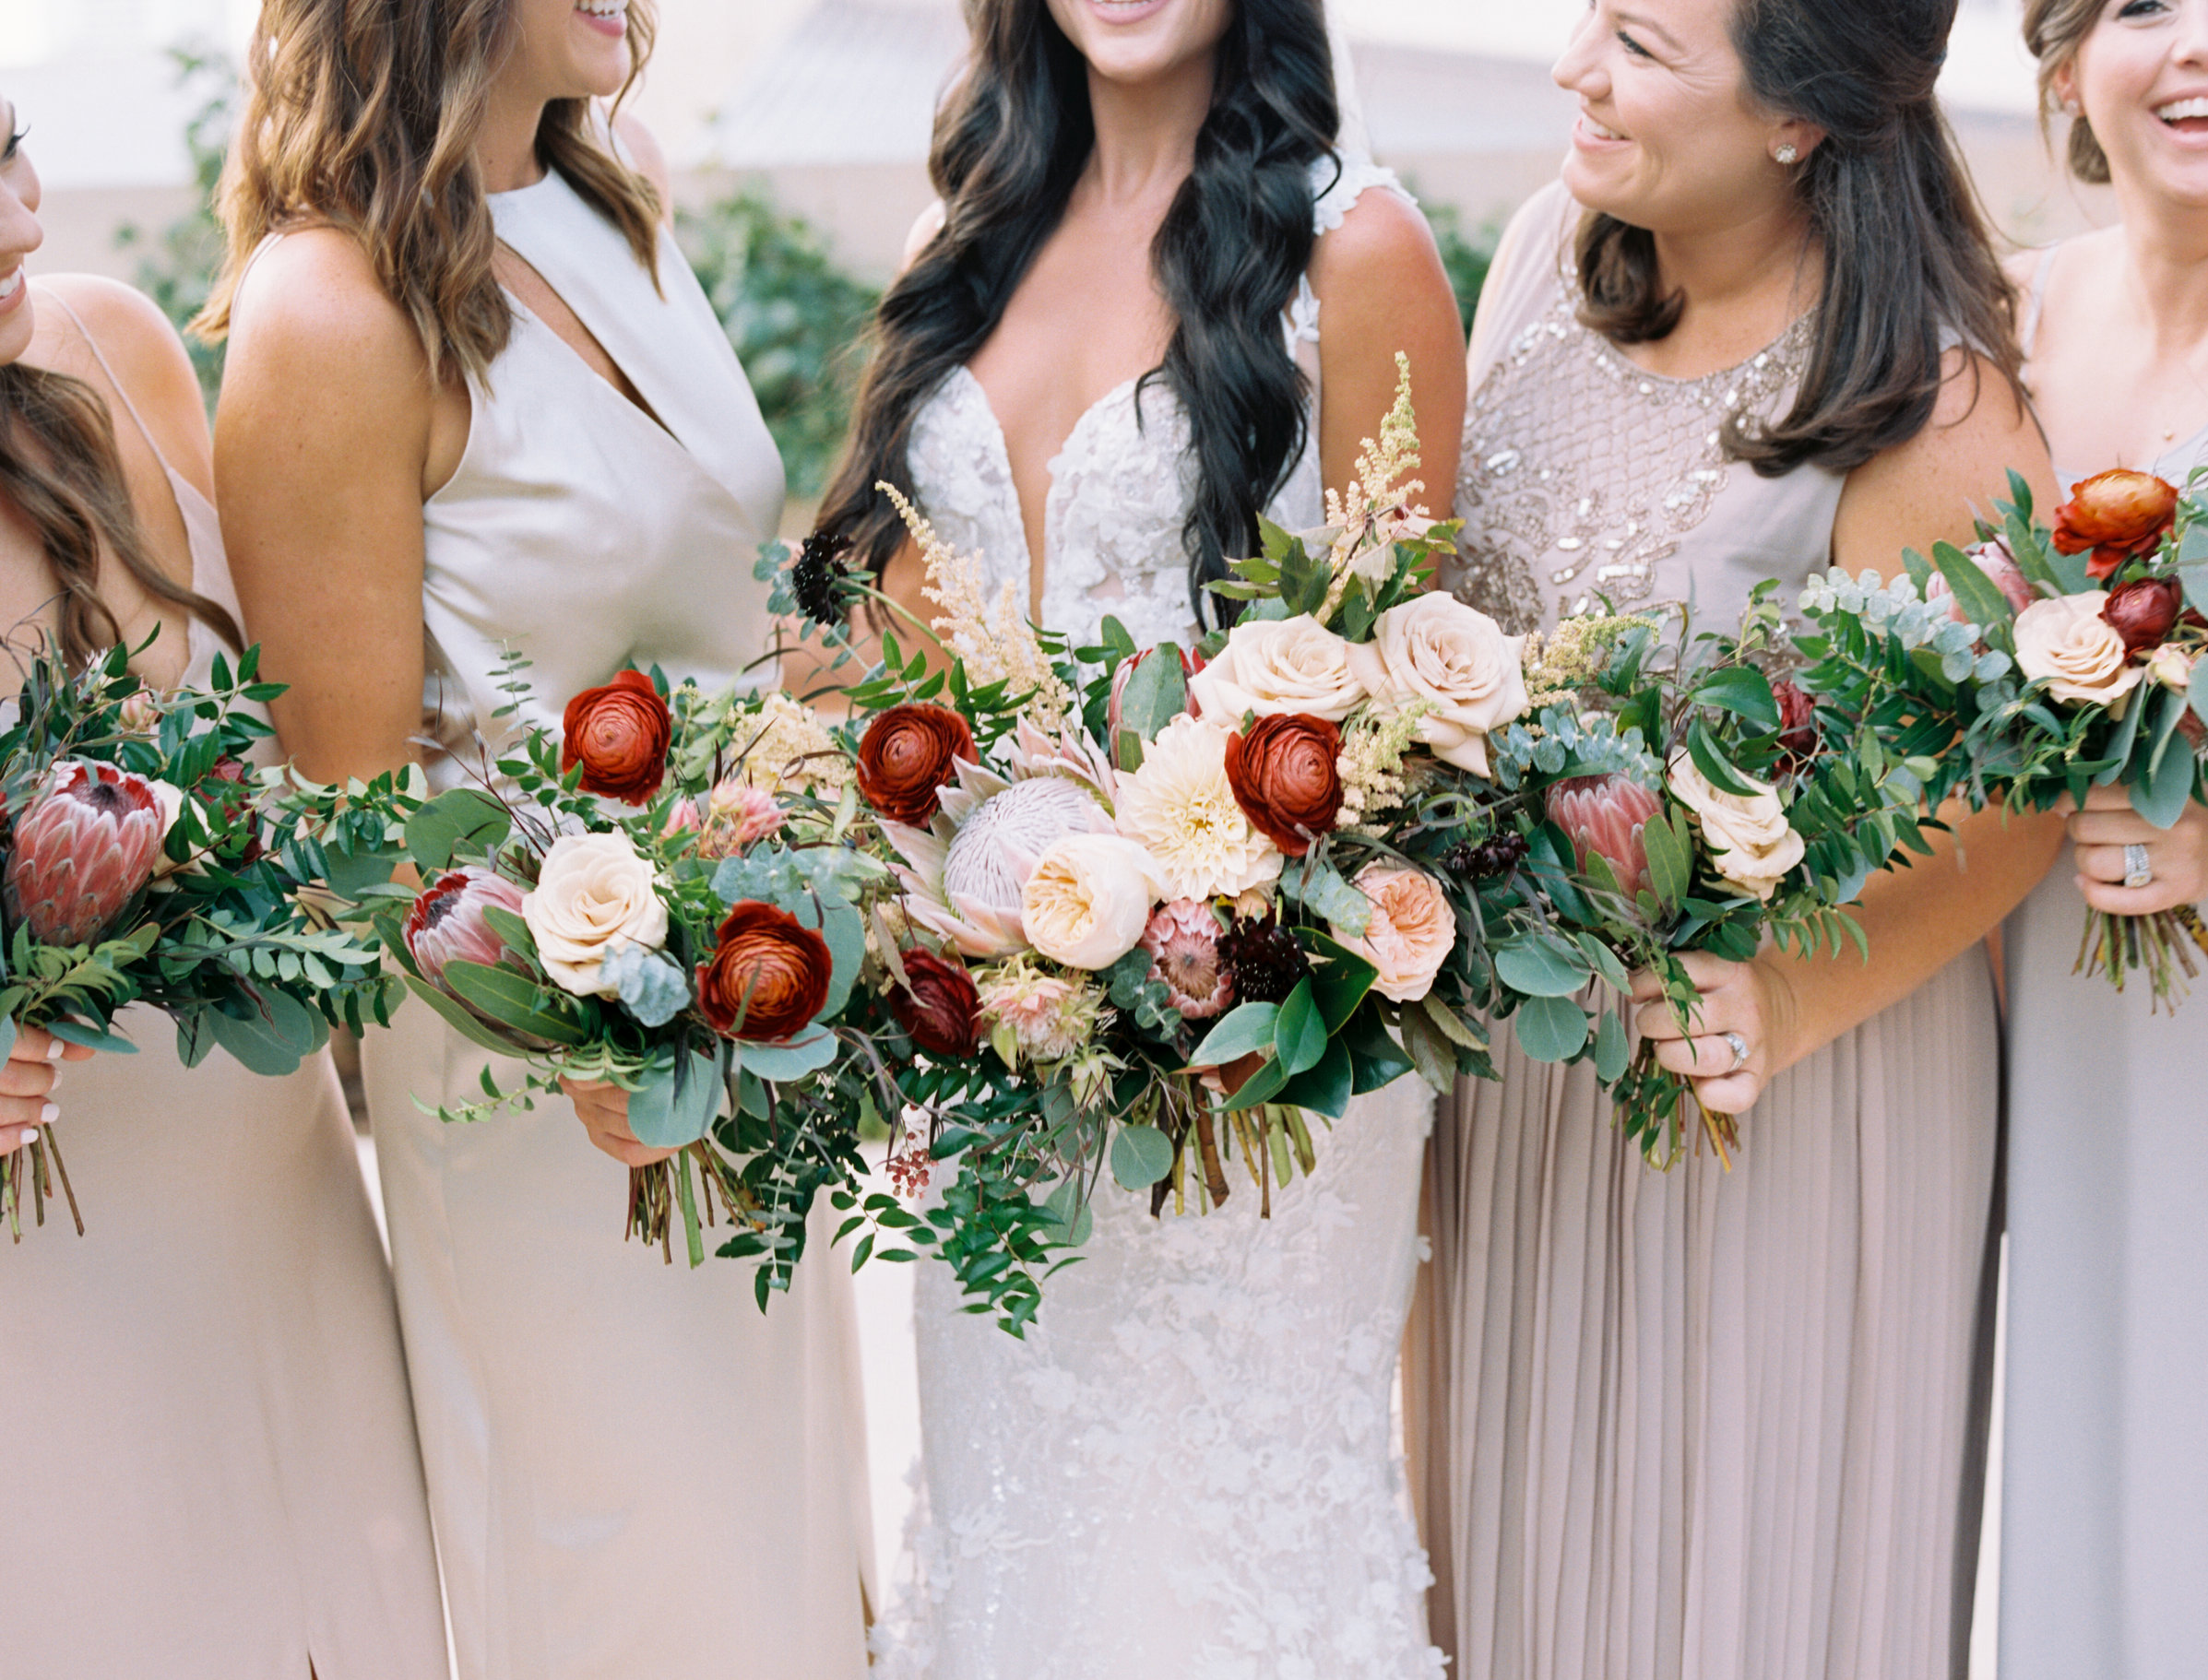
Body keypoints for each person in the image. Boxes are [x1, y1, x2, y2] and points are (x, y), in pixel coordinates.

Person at [783, 0, 1463, 1670]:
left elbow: (1401, 722)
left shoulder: (1353, 250)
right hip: (997, 1065)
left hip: (1248, 1072)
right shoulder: (971, 235)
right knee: (1020, 1552)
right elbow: (866, 639)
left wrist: (1197, 945)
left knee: (1215, 1577)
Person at [203, 3, 874, 1674]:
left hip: (745, 1031)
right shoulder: (329, 309)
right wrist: (588, 999)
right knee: (626, 1576)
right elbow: (360, 836)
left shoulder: (616, 187)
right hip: (542, 1099)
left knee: (779, 1548)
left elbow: (720, 599)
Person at [1416, 1, 2063, 1674]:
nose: (1576, 67)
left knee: (1729, 1598)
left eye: (1639, 42)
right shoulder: (1551, 258)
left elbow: (2014, 796)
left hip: (1780, 1091)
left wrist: (1770, 1002)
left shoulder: (1927, 399)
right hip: (1522, 1072)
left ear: (1799, 119)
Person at [0, 96, 449, 1678]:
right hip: (51, 1282)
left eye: (7, 146)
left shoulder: (115, 345)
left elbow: (313, 728)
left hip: (284, 1195)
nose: (23, 217)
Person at [2000, 1, 2208, 1673]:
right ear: (2065, 75)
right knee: (2100, 1463)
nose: (2203, 46)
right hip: (2065, 1006)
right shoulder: (2013, 320)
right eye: (2140, 7)